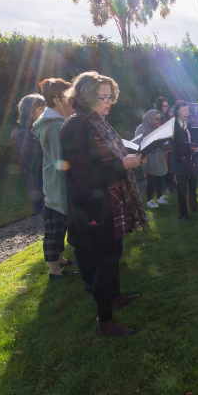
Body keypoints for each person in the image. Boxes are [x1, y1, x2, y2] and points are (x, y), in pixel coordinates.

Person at [61, 71, 146, 337]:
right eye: (103, 98)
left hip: (113, 201)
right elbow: (84, 175)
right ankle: (105, 322)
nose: (108, 102)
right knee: (104, 263)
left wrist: (128, 158)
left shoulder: (98, 122)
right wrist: (124, 165)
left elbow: (104, 158)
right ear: (85, 97)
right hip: (93, 208)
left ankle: (116, 297)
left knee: (115, 254)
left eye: (111, 97)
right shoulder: (75, 126)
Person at [35, 78, 78, 279]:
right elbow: (60, 161)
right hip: (56, 187)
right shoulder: (53, 126)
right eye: (69, 97)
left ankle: (60, 258)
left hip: (57, 184)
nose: (73, 101)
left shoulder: (56, 122)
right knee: (54, 228)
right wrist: (78, 169)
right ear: (56, 99)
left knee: (60, 225)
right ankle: (54, 270)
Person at [15, 94, 48, 215]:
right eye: (40, 109)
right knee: (54, 229)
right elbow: (33, 164)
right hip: (41, 190)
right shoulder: (25, 135)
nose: (45, 112)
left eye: (45, 108)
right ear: (29, 112)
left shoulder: (40, 128)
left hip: (52, 186)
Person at [137, 109, 170, 210]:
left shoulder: (159, 128)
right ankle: (149, 200)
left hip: (160, 156)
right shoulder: (141, 128)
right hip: (149, 158)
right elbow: (138, 144)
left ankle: (160, 197)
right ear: (150, 117)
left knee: (160, 178)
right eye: (156, 119)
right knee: (151, 179)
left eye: (159, 119)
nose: (157, 121)